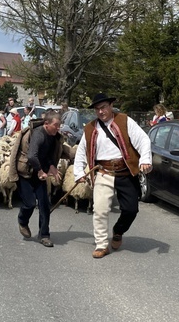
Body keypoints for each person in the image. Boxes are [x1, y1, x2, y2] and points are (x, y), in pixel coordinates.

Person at [73, 93, 152, 259]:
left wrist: (145, 159)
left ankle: (118, 231)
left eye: (103, 107)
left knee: (131, 209)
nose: (101, 112)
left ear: (110, 106)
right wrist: (79, 172)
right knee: (100, 210)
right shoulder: (90, 128)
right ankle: (101, 245)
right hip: (104, 172)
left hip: (125, 172)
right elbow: (81, 151)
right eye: (97, 109)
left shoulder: (125, 121)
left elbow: (143, 140)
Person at [9, 109, 67, 248]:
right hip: (26, 173)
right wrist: (41, 171)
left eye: (60, 125)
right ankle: (22, 221)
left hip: (40, 173)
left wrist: (52, 166)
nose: (58, 128)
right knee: (29, 203)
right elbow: (32, 156)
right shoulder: (38, 135)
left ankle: (44, 235)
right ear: (47, 124)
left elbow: (47, 154)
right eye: (56, 125)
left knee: (45, 204)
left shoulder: (53, 136)